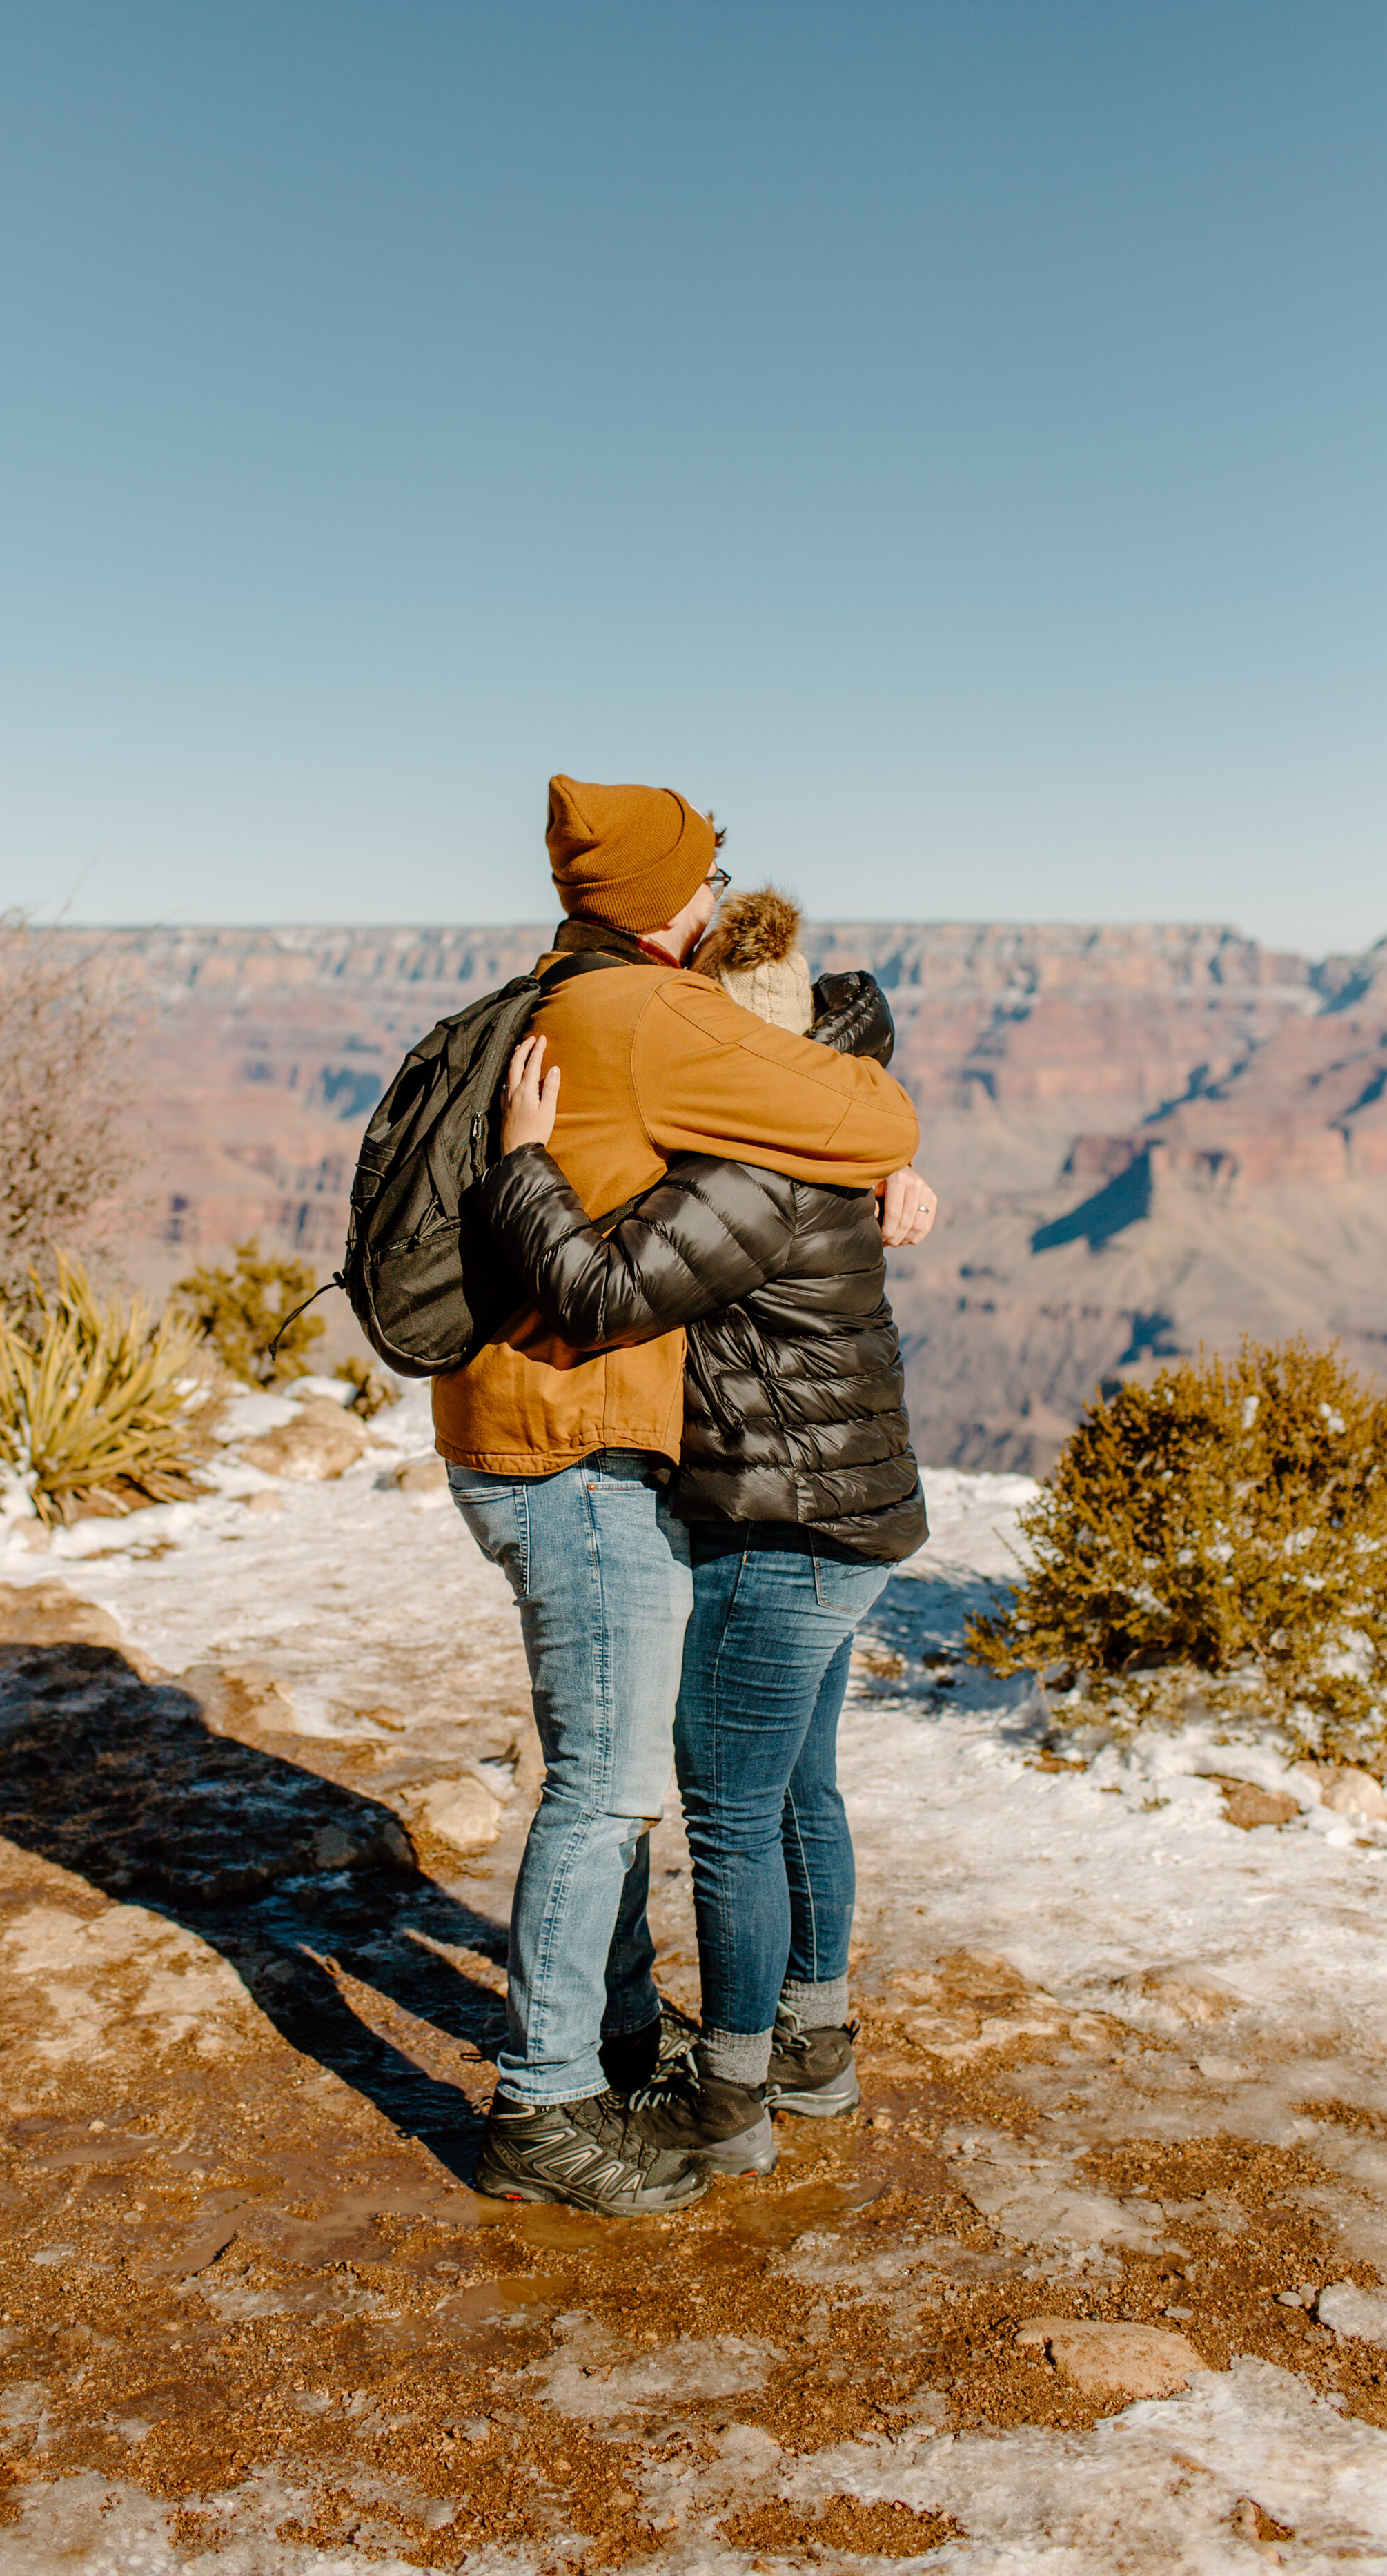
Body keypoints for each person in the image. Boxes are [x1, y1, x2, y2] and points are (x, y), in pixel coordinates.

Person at [440, 779, 923, 2215]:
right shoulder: (668, 1038)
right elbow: (861, 1101)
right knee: (676, 1794)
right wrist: (886, 1148)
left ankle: (697, 2081)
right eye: (701, 883)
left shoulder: (561, 1006)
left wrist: (533, 1167)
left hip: (757, 1502)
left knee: (699, 1794)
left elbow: (622, 1260)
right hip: (687, 1475)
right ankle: (689, 2080)